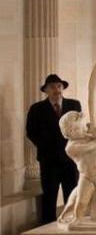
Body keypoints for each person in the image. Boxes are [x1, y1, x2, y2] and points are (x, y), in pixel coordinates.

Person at [26, 74, 82, 225]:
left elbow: (80, 128)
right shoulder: (36, 109)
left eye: (59, 86)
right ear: (46, 90)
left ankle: (72, 224)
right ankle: (47, 228)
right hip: (48, 160)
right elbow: (30, 132)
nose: (57, 90)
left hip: (70, 159)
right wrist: (46, 146)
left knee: (72, 194)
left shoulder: (74, 105)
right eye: (52, 87)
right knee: (49, 196)